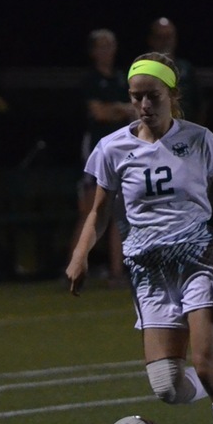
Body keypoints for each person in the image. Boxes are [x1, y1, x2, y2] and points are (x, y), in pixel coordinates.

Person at [67, 53, 213, 424]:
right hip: (148, 272)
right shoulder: (113, 148)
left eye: (152, 96)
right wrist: (81, 254)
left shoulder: (198, 139)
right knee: (167, 387)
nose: (143, 105)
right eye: (135, 96)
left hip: (199, 260)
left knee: (206, 367)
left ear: (172, 95)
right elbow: (100, 212)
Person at [79, 28, 131, 284]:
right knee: (92, 211)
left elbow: (135, 110)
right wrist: (120, 110)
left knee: (120, 211)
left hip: (122, 150)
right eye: (101, 46)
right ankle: (74, 269)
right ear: (92, 52)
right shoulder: (90, 80)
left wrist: (118, 109)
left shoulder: (122, 78)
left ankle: (116, 272)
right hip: (98, 152)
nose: (107, 51)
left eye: (110, 45)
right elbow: (98, 113)